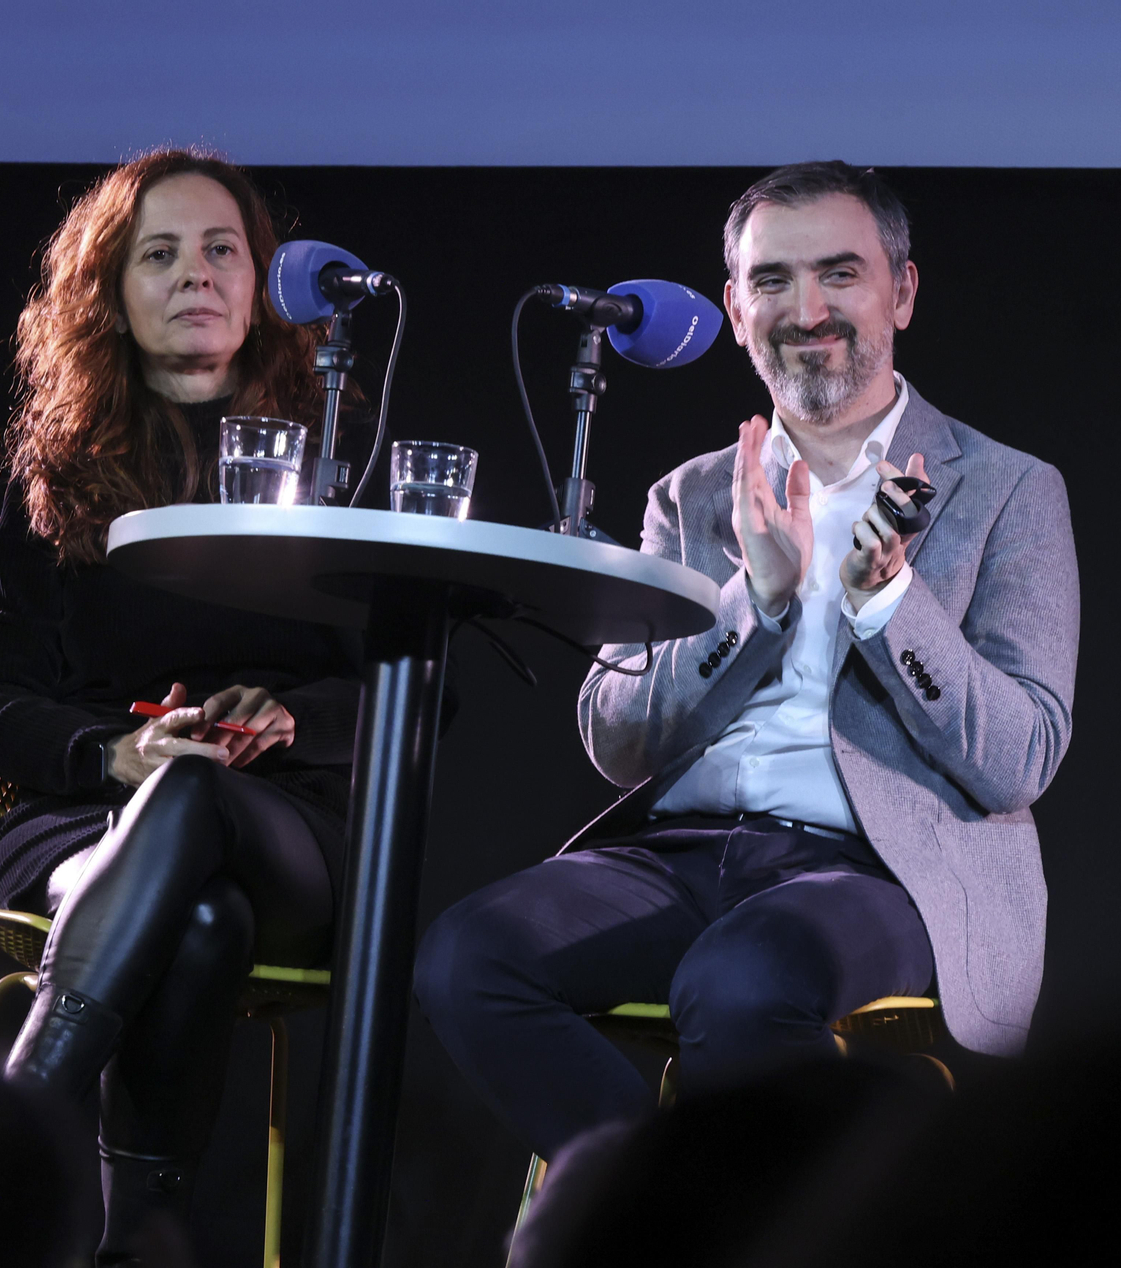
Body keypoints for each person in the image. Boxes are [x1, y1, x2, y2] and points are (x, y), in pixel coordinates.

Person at [415, 161, 1080, 1160]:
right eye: (771, 280)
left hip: (877, 869)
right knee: (469, 957)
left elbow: (1020, 754)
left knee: (739, 980)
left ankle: (717, 1260)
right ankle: (653, 1224)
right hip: (681, 853)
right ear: (733, 309)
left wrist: (889, 604)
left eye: (838, 274)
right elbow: (614, 736)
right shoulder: (689, 496)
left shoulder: (1004, 489)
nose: (805, 309)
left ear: (899, 291)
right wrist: (751, 604)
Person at [0, 149, 362, 1268]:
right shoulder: (58, 484)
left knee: (202, 831)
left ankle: (8, 1139)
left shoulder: (330, 467)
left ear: (263, 283)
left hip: (281, 825)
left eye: (222, 249)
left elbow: (408, 691)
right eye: (160, 253)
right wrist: (123, 757)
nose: (196, 275)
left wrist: (293, 717)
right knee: (194, 913)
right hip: (86, 818)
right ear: (111, 292)